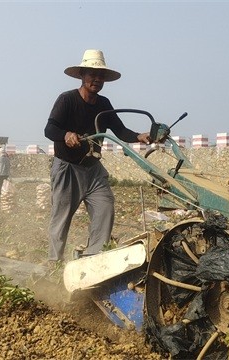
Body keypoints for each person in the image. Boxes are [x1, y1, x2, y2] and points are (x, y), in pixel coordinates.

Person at [43, 49, 150, 266]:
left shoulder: (104, 105)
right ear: (82, 75)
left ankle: (91, 260)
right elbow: (49, 128)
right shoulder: (67, 100)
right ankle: (54, 264)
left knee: (105, 207)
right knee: (61, 218)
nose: (97, 80)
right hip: (68, 169)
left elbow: (120, 131)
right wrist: (66, 135)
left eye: (101, 76)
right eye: (93, 74)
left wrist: (139, 136)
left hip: (93, 170)